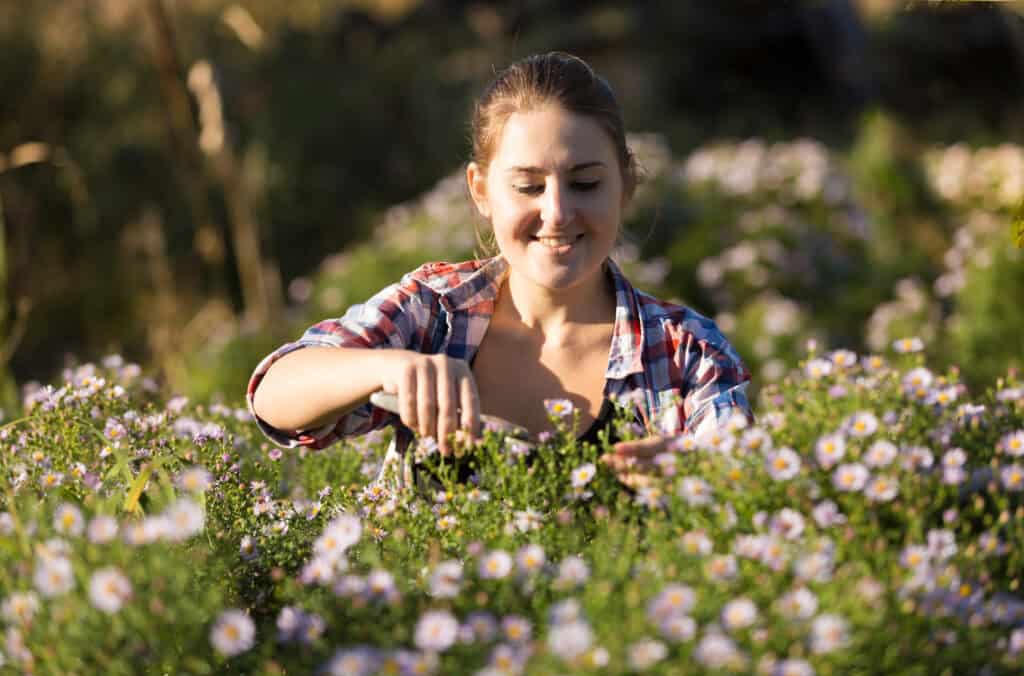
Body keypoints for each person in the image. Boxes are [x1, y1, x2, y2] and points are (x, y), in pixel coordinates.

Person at [248, 52, 753, 492]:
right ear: (481, 190)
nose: (556, 212)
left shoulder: (688, 350)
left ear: (625, 185)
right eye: (529, 187)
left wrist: (698, 479)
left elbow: (750, 488)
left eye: (585, 183)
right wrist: (389, 367)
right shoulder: (436, 312)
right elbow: (275, 396)